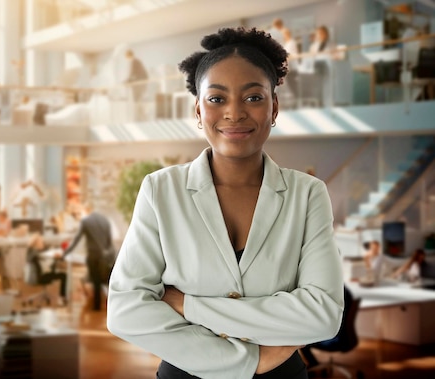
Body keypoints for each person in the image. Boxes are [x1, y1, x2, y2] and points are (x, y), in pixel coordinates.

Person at [107, 27, 344, 378]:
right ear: (198, 111)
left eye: (253, 98)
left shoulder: (307, 194)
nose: (234, 113)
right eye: (217, 99)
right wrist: (249, 361)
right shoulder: (161, 190)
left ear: (274, 107)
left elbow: (323, 315)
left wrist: (188, 304)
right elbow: (125, 310)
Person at [63, 204, 114, 311]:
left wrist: (65, 253)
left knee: (96, 282)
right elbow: (109, 242)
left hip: (93, 256)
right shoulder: (105, 220)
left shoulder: (86, 222)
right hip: (106, 257)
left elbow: (76, 239)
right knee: (106, 280)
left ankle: (96, 307)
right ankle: (111, 304)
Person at [299, 286, 354, 368]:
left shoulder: (331, 294)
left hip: (334, 339)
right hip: (346, 338)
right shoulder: (345, 291)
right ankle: (313, 364)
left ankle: (313, 365)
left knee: (302, 340)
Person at [27, 233, 67, 306]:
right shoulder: (35, 252)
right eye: (41, 241)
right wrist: (54, 256)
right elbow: (44, 257)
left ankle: (62, 298)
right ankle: (62, 298)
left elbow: (47, 259)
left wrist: (55, 257)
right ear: (36, 243)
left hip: (40, 274)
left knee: (62, 272)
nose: (42, 243)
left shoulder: (32, 251)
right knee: (64, 276)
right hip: (40, 277)